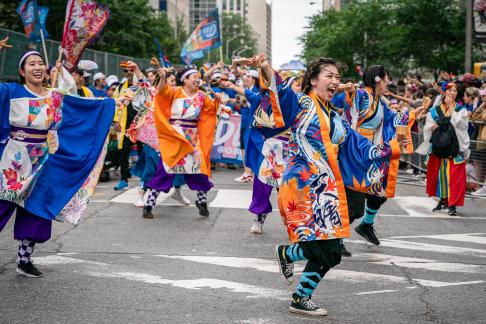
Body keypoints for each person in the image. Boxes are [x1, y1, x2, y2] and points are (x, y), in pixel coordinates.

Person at [244, 55, 406, 316]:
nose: (335, 81)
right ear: (312, 80)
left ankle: (289, 259)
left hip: (327, 189)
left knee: (330, 249)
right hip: (303, 186)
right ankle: (300, 295)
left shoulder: (335, 115)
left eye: (337, 77)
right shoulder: (301, 103)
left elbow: (358, 145)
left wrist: (390, 147)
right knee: (327, 248)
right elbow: (279, 96)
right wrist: (266, 69)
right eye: (329, 76)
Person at [0, 50, 121, 277]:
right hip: (13, 160)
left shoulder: (55, 96)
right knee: (1, 205)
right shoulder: (10, 91)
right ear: (21, 71)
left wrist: (114, 102)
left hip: (43, 161)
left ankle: (24, 259)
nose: (37, 67)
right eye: (31, 64)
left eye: (40, 63)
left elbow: (86, 106)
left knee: (37, 211)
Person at [340, 65, 415, 254]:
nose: (388, 83)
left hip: (370, 153)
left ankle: (366, 225)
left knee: (378, 193)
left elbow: (391, 119)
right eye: (387, 79)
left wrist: (411, 114)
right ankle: (334, 240)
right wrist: (350, 92)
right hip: (355, 153)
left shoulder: (379, 101)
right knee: (354, 207)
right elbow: (350, 108)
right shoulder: (362, 96)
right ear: (378, 80)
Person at [142, 67, 222, 218]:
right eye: (193, 76)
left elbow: (210, 111)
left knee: (199, 170)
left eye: (198, 77)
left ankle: (202, 201)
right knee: (165, 170)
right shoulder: (174, 91)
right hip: (174, 136)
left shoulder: (202, 95)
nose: (197, 79)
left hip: (192, 139)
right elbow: (160, 92)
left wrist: (217, 100)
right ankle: (148, 205)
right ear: (185, 79)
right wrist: (161, 77)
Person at [417, 83, 469, 216]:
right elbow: (427, 127)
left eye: (455, 91)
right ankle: (443, 200)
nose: (452, 93)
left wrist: (452, 112)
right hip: (439, 147)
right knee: (441, 176)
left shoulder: (460, 110)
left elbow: (463, 127)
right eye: (450, 90)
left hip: (454, 147)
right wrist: (431, 127)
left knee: (455, 177)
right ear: (445, 92)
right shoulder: (435, 110)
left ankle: (453, 204)